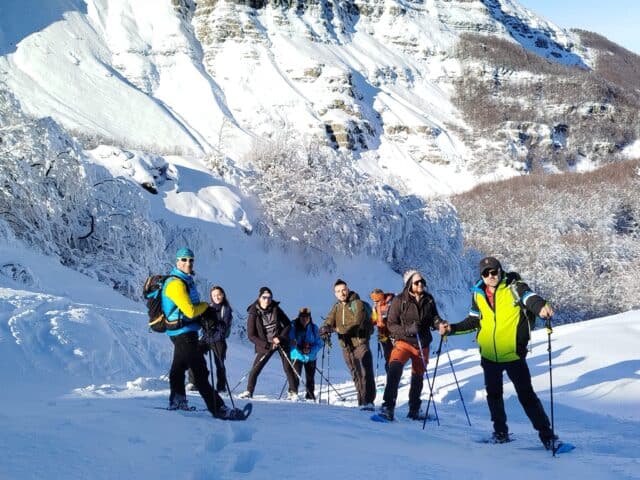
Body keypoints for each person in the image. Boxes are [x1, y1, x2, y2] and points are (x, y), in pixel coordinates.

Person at [439, 256, 557, 448]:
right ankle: (500, 433)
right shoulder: (478, 294)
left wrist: (541, 307)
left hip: (513, 354)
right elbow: (474, 321)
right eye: (486, 273)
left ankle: (548, 437)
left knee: (527, 397)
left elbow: (530, 298)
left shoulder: (514, 287)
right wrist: (451, 329)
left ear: (500, 271)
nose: (491, 276)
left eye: (494, 271)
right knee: (493, 396)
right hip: (489, 356)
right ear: (482, 276)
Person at [161, 247, 230, 418]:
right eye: (184, 260)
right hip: (183, 332)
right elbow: (191, 311)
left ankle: (177, 401)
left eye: (191, 259)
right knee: (200, 372)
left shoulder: (186, 280)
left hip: (185, 331)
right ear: (177, 262)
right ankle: (218, 408)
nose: (188, 263)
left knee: (178, 367)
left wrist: (203, 314)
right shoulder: (176, 283)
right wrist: (206, 307)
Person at [377, 270, 445, 421]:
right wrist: (408, 330)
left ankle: (414, 409)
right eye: (416, 282)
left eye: (422, 281)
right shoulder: (400, 300)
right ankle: (388, 407)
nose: (420, 284)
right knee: (394, 370)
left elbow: (434, 317)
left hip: (423, 344)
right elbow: (391, 325)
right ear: (409, 284)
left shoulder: (429, 299)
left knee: (418, 377)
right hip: (403, 342)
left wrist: (439, 324)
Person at [320, 279, 376, 410]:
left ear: (348, 289)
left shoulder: (358, 304)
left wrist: (336, 329)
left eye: (343, 290)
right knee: (356, 374)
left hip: (360, 343)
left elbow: (357, 323)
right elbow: (329, 320)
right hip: (346, 346)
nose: (342, 293)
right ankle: (361, 403)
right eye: (338, 291)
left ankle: (368, 402)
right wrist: (324, 328)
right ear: (335, 294)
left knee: (366, 372)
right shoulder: (337, 307)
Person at [239, 287, 297, 399]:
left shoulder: (276, 309)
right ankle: (249, 392)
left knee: (288, 367)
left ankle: (293, 392)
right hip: (265, 344)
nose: (267, 300)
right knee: (256, 368)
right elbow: (251, 336)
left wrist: (279, 337)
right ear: (259, 298)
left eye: (269, 297)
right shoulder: (253, 313)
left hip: (280, 341)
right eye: (264, 297)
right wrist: (267, 345)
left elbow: (288, 324)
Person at [188, 285, 232, 393]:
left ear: (223, 295)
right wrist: (204, 321)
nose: (217, 297)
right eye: (214, 295)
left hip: (218, 339)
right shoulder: (207, 307)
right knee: (193, 354)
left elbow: (224, 326)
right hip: (206, 338)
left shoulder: (226, 309)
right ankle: (193, 382)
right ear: (211, 296)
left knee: (219, 363)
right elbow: (200, 321)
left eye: (219, 295)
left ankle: (221, 387)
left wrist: (214, 325)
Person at [289, 307, 323, 400]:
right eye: (302, 317)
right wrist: (299, 349)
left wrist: (310, 350)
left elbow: (320, 343)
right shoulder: (293, 326)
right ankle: (293, 393)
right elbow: (290, 341)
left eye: (307, 317)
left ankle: (310, 396)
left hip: (310, 357)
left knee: (310, 378)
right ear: (299, 317)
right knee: (295, 376)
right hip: (297, 356)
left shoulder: (314, 327)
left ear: (310, 317)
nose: (304, 319)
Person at [370, 289, 395, 374]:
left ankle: (393, 377)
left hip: (393, 334)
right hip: (382, 334)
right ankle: (391, 377)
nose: (375, 302)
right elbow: (374, 319)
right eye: (373, 300)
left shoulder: (391, 303)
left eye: (376, 300)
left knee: (393, 356)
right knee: (387, 355)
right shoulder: (375, 306)